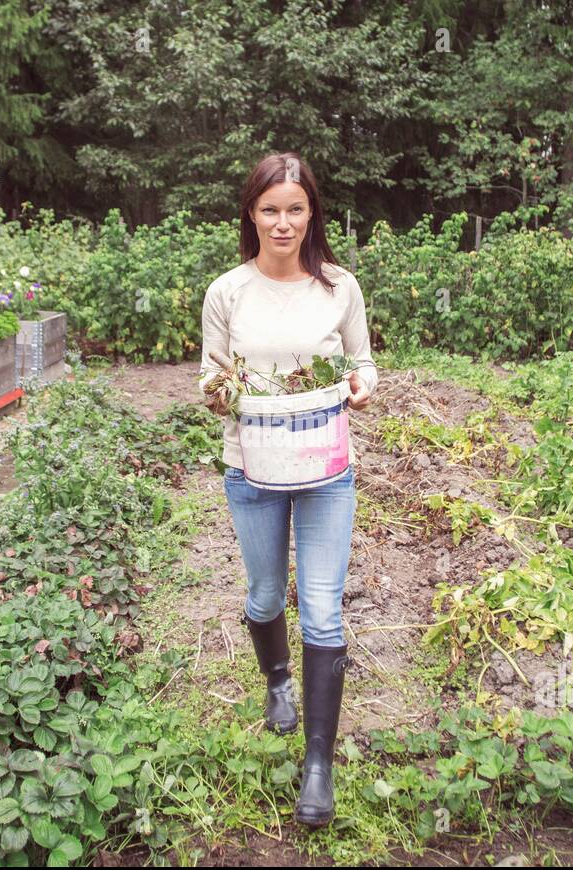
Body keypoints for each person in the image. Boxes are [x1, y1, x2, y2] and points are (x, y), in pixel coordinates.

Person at [196, 151, 378, 828]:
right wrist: (221, 395)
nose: (283, 222)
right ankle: (278, 682)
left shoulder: (340, 288)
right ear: (251, 213)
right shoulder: (227, 292)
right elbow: (211, 375)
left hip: (328, 467)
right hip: (253, 468)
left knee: (323, 610)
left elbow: (362, 362)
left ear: (311, 212)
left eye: (295, 209)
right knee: (267, 594)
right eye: (270, 209)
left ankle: (318, 764)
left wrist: (362, 387)